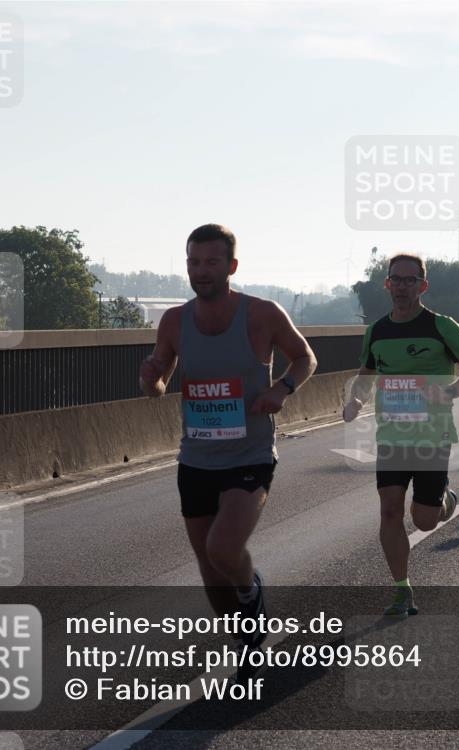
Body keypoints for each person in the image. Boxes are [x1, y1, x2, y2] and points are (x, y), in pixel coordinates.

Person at [140, 223, 317, 658]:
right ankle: (244, 637)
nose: (201, 271)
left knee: (224, 548)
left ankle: (250, 590)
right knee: (210, 572)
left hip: (249, 455)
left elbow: (305, 356)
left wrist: (281, 389)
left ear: (231, 266)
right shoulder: (175, 320)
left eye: (211, 262)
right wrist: (151, 380)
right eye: (193, 262)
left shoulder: (262, 314)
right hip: (196, 458)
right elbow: (160, 379)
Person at [342, 253, 459, 618]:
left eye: (411, 280)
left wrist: (451, 392)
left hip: (432, 437)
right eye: (397, 279)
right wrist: (356, 400)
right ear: (387, 284)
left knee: (423, 519)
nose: (403, 285)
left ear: (422, 286)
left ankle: (445, 499)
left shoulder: (441, 326)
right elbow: (366, 373)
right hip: (392, 437)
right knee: (390, 511)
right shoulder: (377, 330)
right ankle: (401, 590)